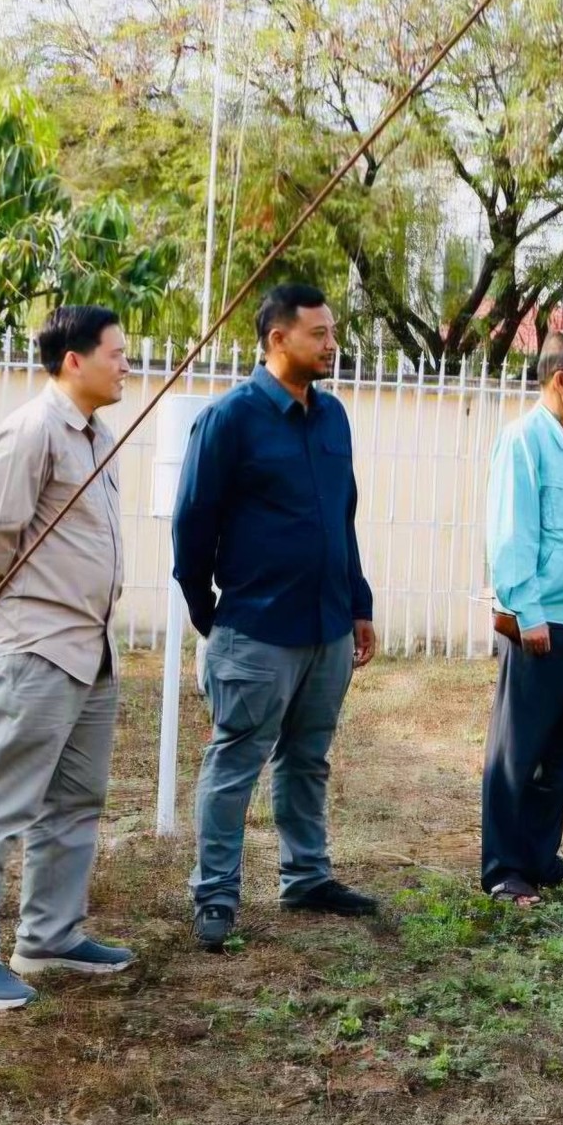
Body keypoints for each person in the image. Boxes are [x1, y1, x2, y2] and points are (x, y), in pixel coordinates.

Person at [0, 306, 136, 1010]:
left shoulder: (98, 434)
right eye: (115, 353)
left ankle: (49, 936)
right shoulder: (31, 430)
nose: (126, 365)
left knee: (75, 801)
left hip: (91, 649)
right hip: (40, 647)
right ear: (74, 360)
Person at [174, 283, 379, 953]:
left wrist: (358, 603)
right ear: (277, 339)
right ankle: (215, 895)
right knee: (235, 761)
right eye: (320, 333)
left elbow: (342, 518)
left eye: (332, 332)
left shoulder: (333, 417)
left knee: (308, 760)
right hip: (256, 629)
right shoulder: (229, 419)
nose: (332, 344)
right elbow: (192, 525)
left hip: (327, 627)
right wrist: (210, 614)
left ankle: (307, 877)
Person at [481, 330, 563, 905]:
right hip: (539, 624)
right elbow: (512, 534)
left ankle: (540, 856)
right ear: (562, 379)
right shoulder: (523, 441)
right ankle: (504, 869)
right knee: (519, 751)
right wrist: (527, 612)